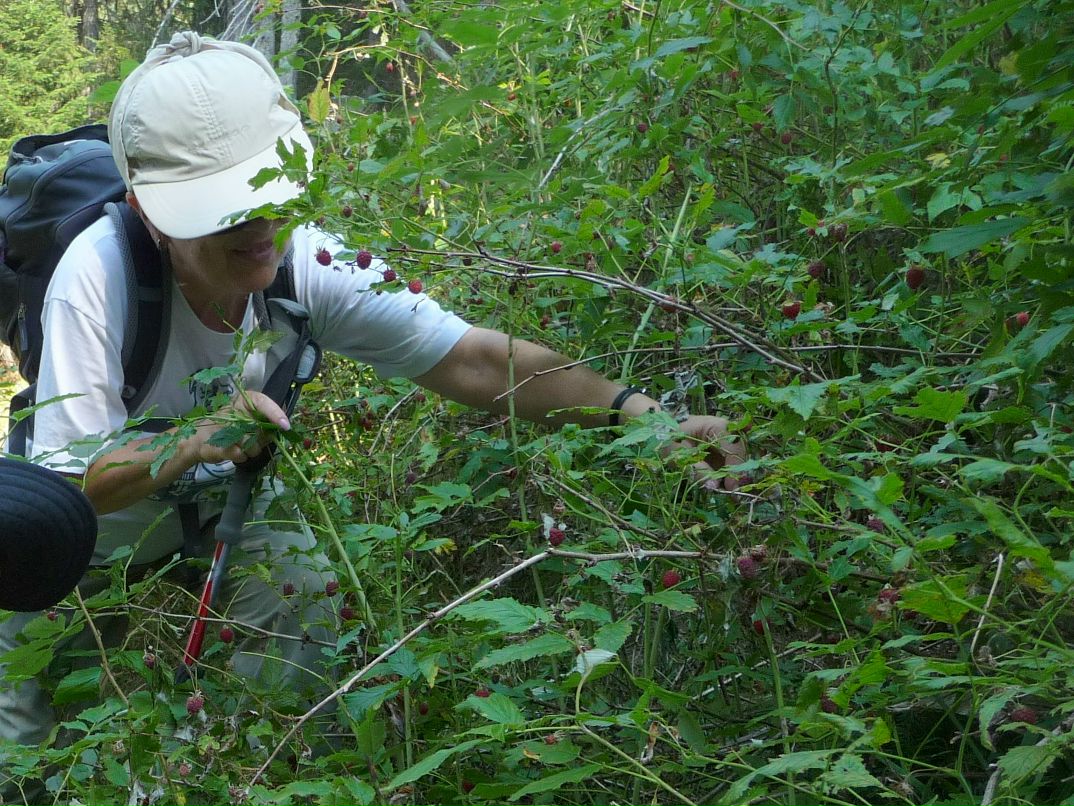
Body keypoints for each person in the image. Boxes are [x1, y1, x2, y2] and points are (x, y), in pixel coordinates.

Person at [0, 31, 744, 793]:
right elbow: (75, 482)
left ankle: (237, 772)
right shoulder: (96, 275)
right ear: (149, 214)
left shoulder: (305, 265)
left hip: (219, 507)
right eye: (220, 210)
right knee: (29, 736)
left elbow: (473, 360)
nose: (257, 223)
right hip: (78, 540)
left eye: (268, 189)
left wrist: (647, 419)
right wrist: (192, 440)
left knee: (302, 598)